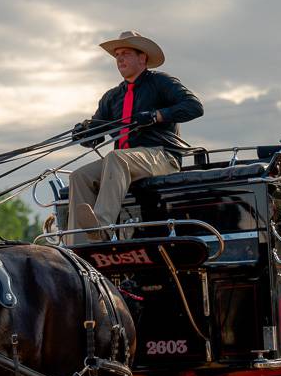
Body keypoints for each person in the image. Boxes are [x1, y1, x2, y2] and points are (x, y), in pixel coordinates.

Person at [67, 30, 203, 244]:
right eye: (117, 54)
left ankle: (102, 228)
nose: (119, 58)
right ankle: (78, 247)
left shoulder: (161, 82)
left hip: (161, 157)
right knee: (79, 176)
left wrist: (156, 115)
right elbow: (96, 132)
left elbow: (194, 107)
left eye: (126, 53)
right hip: (122, 164)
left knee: (116, 158)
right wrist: (85, 134)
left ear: (142, 58)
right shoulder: (111, 97)